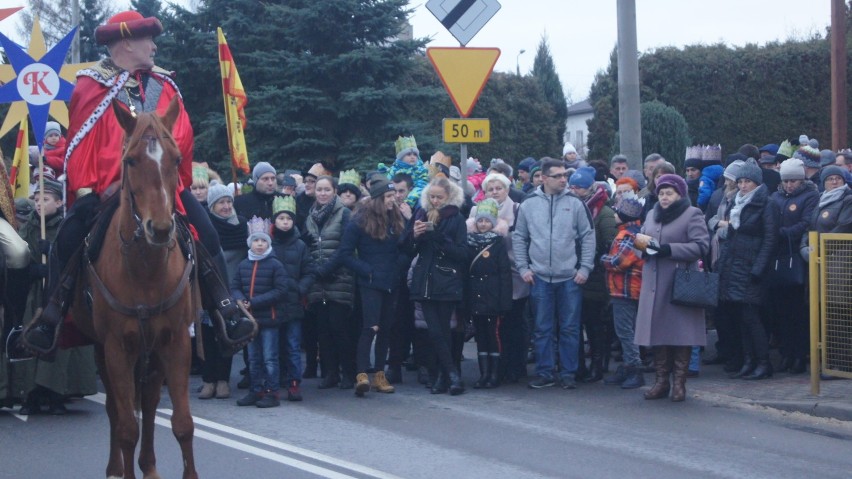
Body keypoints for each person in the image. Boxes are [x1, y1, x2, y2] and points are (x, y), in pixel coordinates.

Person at [23, 10, 253, 354]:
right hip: (104, 185)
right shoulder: (91, 84)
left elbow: (182, 134)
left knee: (208, 233)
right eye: (149, 40)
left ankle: (225, 308)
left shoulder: (164, 84)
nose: (155, 48)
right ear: (127, 43)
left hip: (162, 185)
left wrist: (166, 169)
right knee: (67, 239)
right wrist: (91, 187)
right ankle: (52, 316)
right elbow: (82, 141)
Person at [513, 158, 595, 390]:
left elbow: (588, 236)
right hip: (539, 277)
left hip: (570, 277)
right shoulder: (529, 204)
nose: (563, 179)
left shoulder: (576, 203)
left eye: (564, 175)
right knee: (542, 328)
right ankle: (545, 372)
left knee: (570, 328)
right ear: (544, 178)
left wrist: (585, 268)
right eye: (557, 176)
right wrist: (523, 268)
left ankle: (568, 373)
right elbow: (519, 237)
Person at [18, 178, 97, 415]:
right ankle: (31, 394)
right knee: (33, 340)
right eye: (36, 200)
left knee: (60, 342)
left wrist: (51, 253)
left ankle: (56, 393)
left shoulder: (68, 226)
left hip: (60, 292)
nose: (39, 205)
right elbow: (20, 257)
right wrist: (31, 268)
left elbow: (76, 255)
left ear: (60, 201)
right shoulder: (28, 227)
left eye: (46, 199)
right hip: (35, 294)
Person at [322, 179, 407, 396]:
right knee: (370, 327)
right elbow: (345, 253)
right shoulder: (358, 221)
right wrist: (366, 270)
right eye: (389, 197)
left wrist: (398, 267)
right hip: (369, 281)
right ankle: (361, 374)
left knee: (386, 328)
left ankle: (380, 374)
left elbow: (404, 248)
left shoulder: (396, 218)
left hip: (391, 280)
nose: (393, 199)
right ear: (379, 199)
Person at [634, 174, 709, 402]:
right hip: (654, 282)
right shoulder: (651, 213)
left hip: (678, 282)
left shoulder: (691, 214)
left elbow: (701, 246)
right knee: (658, 333)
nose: (665, 197)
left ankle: (679, 383)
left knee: (680, 333)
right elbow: (641, 241)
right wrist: (642, 249)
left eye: (670, 193)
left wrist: (669, 249)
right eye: (662, 193)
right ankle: (661, 381)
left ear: (680, 194)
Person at [403, 177, 468, 395]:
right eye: (432, 196)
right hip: (425, 281)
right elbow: (405, 248)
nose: (435, 201)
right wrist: (415, 235)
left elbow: (461, 253)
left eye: (439, 197)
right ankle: (449, 375)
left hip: (446, 281)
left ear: (448, 197)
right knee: (434, 332)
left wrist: (438, 236)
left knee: (444, 331)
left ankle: (445, 376)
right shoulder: (420, 214)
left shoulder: (456, 218)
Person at [715, 159, 778, 380]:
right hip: (735, 266)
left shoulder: (767, 204)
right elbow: (732, 237)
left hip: (752, 269)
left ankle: (763, 362)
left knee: (752, 318)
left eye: (747, 181)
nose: (742, 186)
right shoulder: (737, 203)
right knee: (741, 318)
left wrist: (758, 269)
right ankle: (749, 361)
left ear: (757, 183)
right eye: (740, 181)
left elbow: (770, 239)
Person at [468, 172, 529, 383]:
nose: (495, 192)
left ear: (507, 189)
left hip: (514, 272)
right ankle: (496, 368)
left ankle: (516, 366)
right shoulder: (477, 211)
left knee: (514, 323)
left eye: (499, 188)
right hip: (488, 277)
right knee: (492, 327)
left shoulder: (517, 209)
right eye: (490, 189)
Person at [305, 176, 357, 389]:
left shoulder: (343, 213)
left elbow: (346, 247)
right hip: (317, 281)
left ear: (334, 191)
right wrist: (314, 270)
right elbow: (307, 245)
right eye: (319, 189)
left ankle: (349, 373)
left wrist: (327, 269)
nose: (323, 193)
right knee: (323, 330)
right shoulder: (309, 216)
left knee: (340, 329)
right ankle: (331, 372)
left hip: (338, 278)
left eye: (327, 189)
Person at [232, 217, 289, 408]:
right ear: (250, 242)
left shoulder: (275, 265)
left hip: (269, 319)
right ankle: (255, 390)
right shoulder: (243, 265)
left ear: (268, 243)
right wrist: (241, 300)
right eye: (256, 240)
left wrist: (253, 302)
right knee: (254, 358)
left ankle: (272, 393)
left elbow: (281, 290)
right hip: (250, 320)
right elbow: (235, 285)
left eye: (263, 240)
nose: (259, 244)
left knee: (270, 358)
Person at [568, 166, 617, 383]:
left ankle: (598, 365)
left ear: (590, 188)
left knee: (595, 323)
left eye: (579, 187)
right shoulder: (570, 208)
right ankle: (577, 365)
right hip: (572, 271)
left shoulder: (604, 213)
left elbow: (610, 244)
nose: (574, 190)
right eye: (572, 186)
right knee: (574, 323)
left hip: (595, 275)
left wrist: (592, 260)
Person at [199, 183, 248, 399]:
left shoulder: (243, 225)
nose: (226, 206)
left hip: (232, 289)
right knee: (209, 337)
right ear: (212, 206)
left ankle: (223, 381)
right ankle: (208, 381)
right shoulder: (205, 227)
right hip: (209, 288)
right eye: (221, 203)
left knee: (228, 336)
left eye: (229, 202)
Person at [769, 159, 817, 374]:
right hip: (777, 255)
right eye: (786, 181)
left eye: (794, 181)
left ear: (802, 179)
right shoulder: (776, 196)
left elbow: (807, 222)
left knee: (798, 310)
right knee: (781, 310)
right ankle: (786, 353)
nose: (790, 185)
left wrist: (783, 233)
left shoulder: (810, 195)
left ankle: (799, 355)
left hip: (796, 255)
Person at [464, 198, 512, 388]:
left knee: (493, 336)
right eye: (480, 221)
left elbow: (504, 274)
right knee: (481, 336)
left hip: (493, 297)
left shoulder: (498, 243)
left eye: (487, 221)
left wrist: (504, 302)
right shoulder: (470, 242)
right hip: (476, 296)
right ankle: (483, 373)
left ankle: (494, 373)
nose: (483, 224)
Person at [601, 192, 645, 389]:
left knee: (626, 332)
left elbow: (620, 262)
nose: (614, 214)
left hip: (625, 291)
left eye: (617, 212)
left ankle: (635, 369)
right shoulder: (636, 232)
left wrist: (602, 259)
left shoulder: (630, 235)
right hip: (627, 289)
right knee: (626, 330)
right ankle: (628, 366)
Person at [271, 195, 313, 401]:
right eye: (281, 219)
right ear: (274, 221)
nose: (285, 222)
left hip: (294, 302)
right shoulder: (268, 244)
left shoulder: (300, 246)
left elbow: (309, 271)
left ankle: (294, 382)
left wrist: (300, 289)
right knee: (274, 344)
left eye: (289, 218)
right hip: (273, 304)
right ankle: (276, 379)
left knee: (293, 345)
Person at [377, 135, 429, 209]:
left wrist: (411, 199)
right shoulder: (395, 168)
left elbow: (421, 185)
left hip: (414, 203)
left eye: (415, 154)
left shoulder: (420, 170)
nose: (412, 157)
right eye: (408, 154)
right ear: (401, 157)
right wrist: (384, 173)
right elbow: (388, 182)